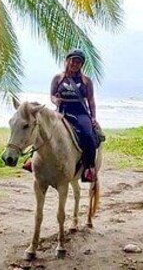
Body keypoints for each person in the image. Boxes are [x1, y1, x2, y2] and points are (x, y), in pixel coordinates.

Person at [25, 49, 99, 183]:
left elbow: (91, 101)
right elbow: (52, 96)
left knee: (88, 134)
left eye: (78, 62)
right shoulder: (58, 78)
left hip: (80, 112)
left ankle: (89, 167)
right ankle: (32, 159)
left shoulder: (86, 81)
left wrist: (93, 117)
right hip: (62, 111)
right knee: (42, 129)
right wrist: (55, 101)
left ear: (81, 65)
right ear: (67, 61)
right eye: (73, 60)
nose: (75, 64)